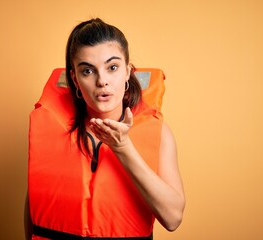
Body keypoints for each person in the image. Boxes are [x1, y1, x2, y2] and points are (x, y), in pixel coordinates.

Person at [25, 18, 185, 240]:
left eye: (112, 67)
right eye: (88, 71)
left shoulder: (160, 134)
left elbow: (173, 218)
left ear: (128, 72)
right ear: (75, 79)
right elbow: (34, 212)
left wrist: (123, 147)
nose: (102, 81)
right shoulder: (50, 130)